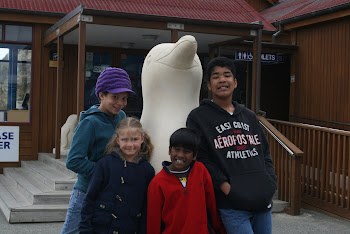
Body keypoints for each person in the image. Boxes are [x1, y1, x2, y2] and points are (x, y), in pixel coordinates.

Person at [186, 57, 277, 234]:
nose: (222, 80)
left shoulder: (249, 116)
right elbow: (202, 159)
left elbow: (264, 152)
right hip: (232, 205)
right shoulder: (198, 117)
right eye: (216, 76)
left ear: (235, 83)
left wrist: (270, 182)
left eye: (227, 75)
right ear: (209, 86)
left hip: (262, 202)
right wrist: (227, 188)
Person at [61, 67, 134, 234]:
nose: (120, 103)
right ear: (101, 95)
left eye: (124, 98)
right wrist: (104, 172)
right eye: (115, 97)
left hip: (110, 191)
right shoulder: (89, 123)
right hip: (85, 192)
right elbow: (73, 160)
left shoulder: (121, 116)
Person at [79, 117, 155, 233]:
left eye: (134, 139)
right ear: (118, 140)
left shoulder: (147, 170)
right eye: (125, 140)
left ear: (142, 138)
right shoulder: (104, 164)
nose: (130, 144)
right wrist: (85, 230)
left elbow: (145, 208)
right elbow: (90, 199)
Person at [147, 128, 224, 234]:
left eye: (187, 152)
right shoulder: (157, 183)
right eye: (177, 149)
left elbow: (211, 204)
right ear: (170, 150)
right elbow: (153, 220)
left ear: (195, 155)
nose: (180, 155)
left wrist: (219, 229)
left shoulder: (200, 170)